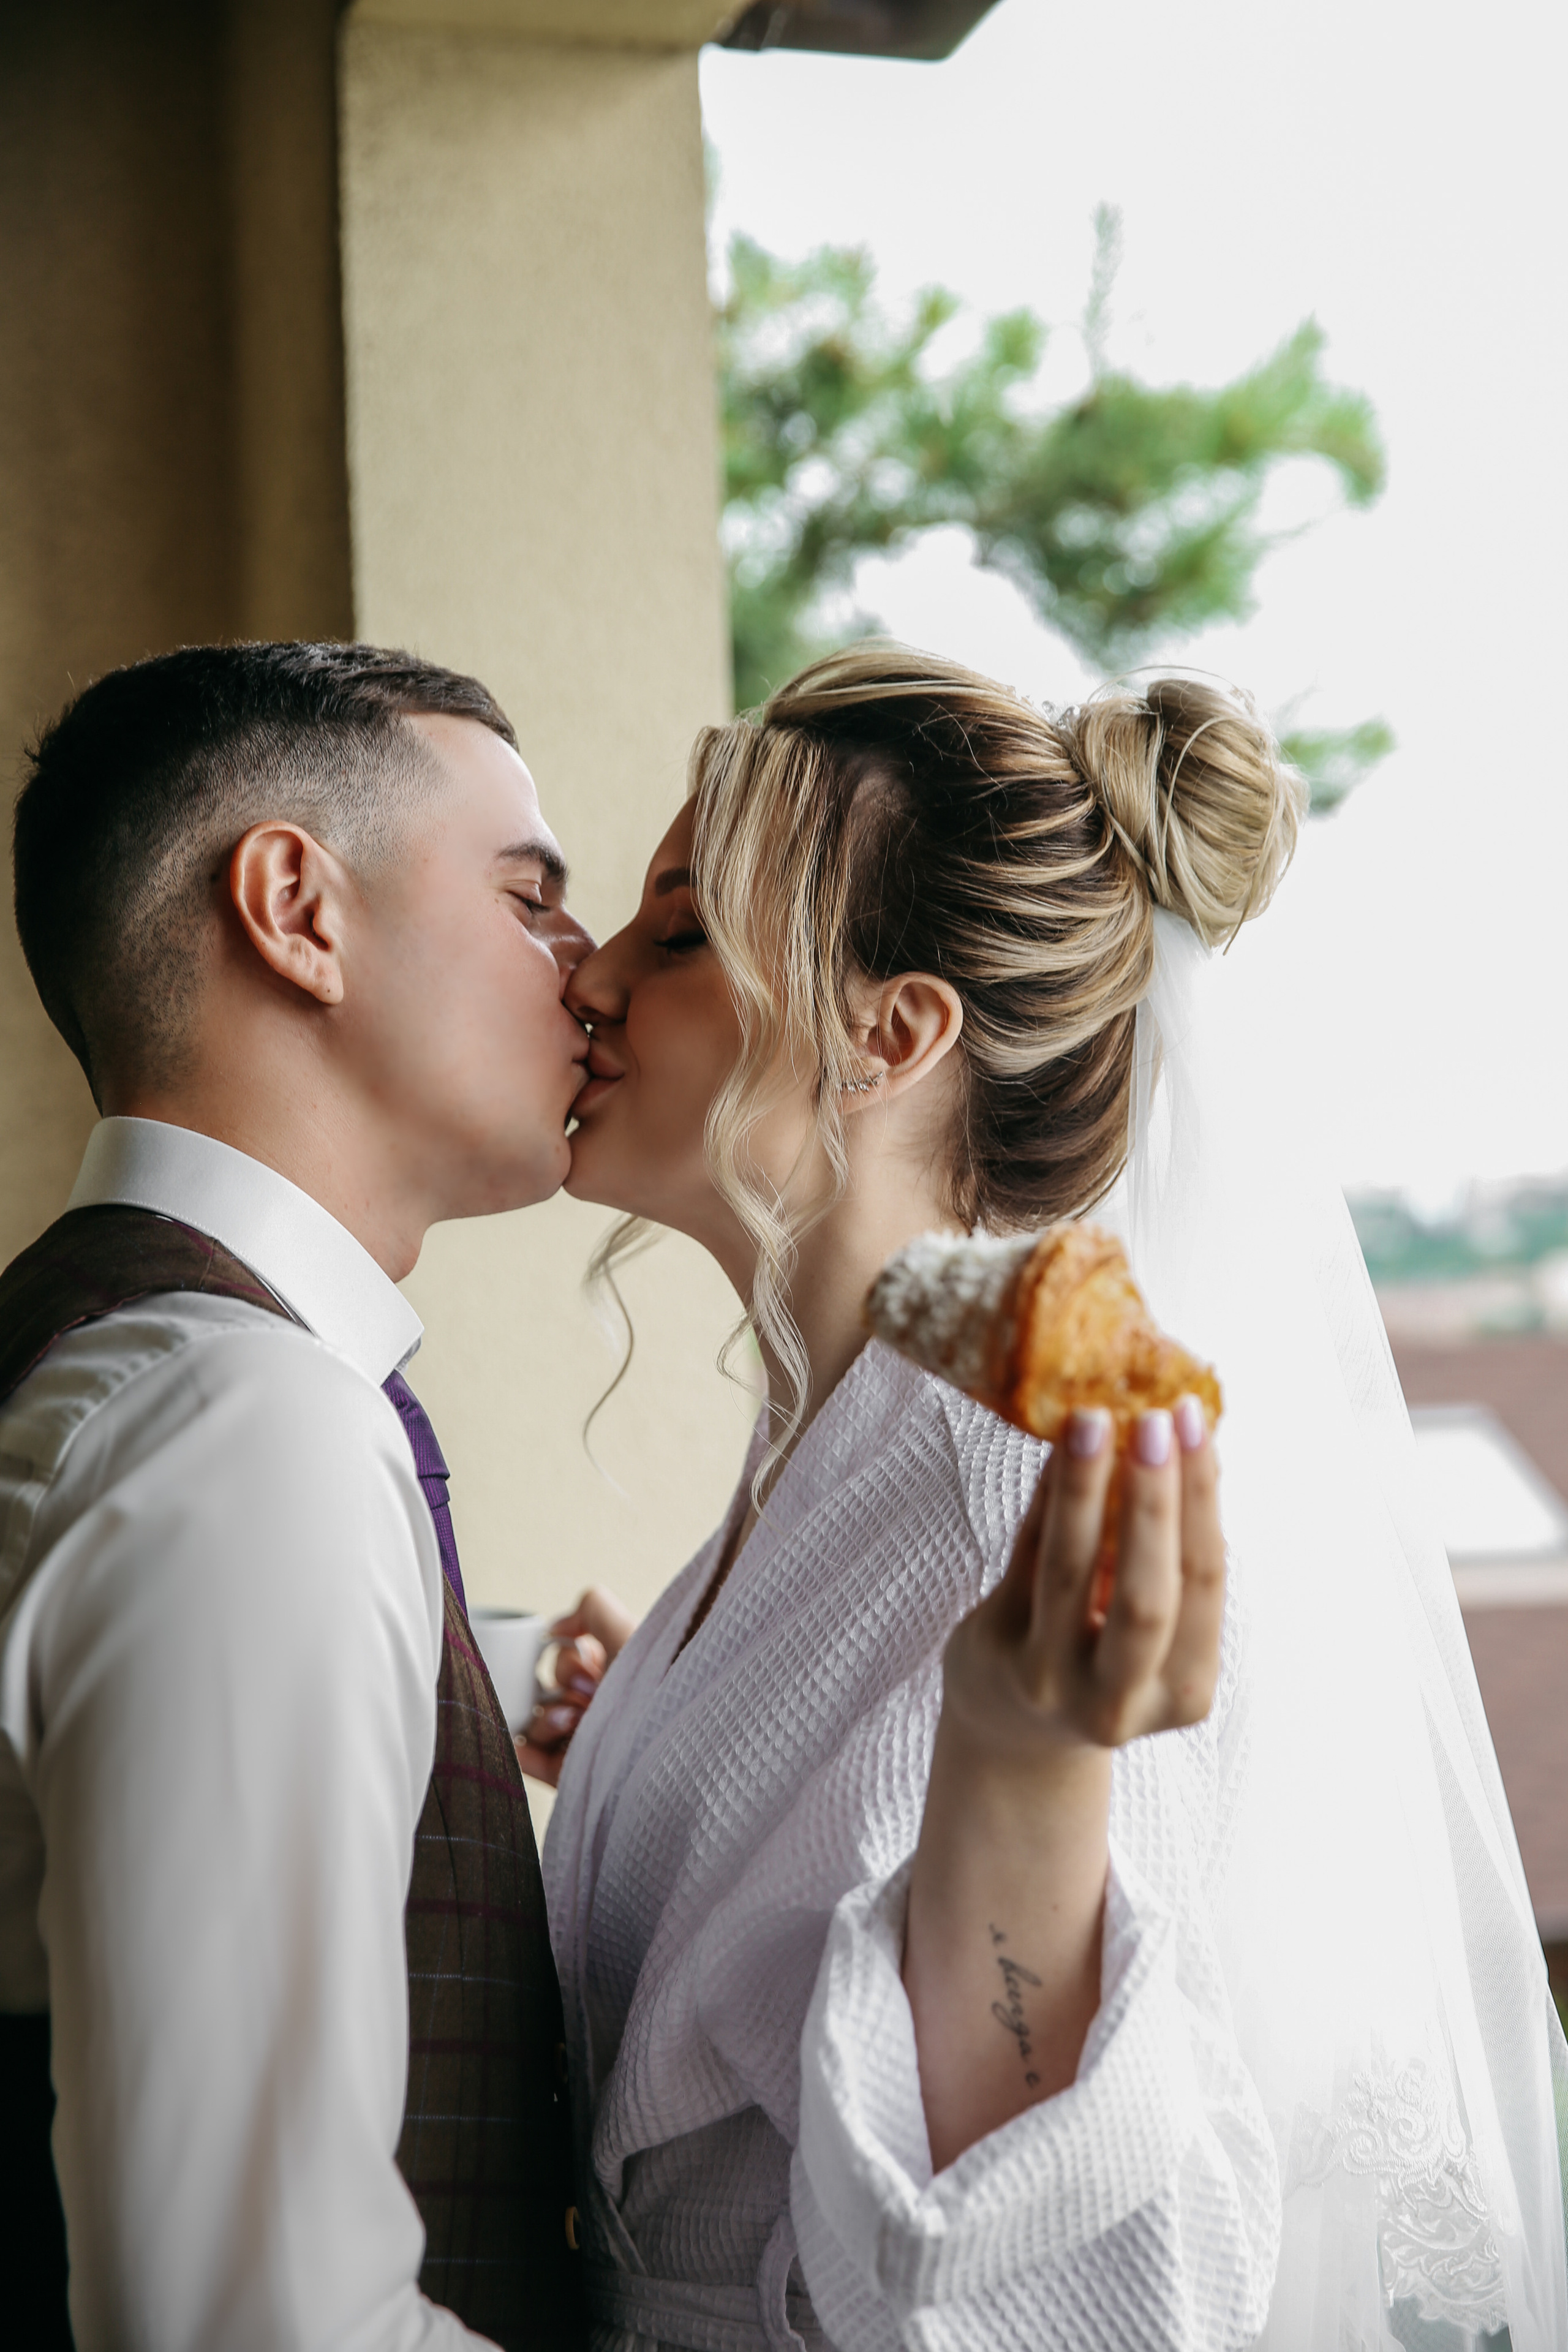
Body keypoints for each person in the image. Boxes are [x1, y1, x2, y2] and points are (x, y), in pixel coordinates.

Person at [529, 646, 1568, 2351]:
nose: (592, 975)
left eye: (681, 931)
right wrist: (666, 1735)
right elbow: (835, 1856)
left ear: (887, 1035)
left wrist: (1014, 1768)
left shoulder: (1021, 1490)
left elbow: (1097, 2295)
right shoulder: (836, 1446)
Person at [0, 643, 594, 2351]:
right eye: (531, 901)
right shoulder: (242, 1430)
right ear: (297, 911)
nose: (593, 969)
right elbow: (258, 2322)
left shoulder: (137, 1370)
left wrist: (498, 1668)